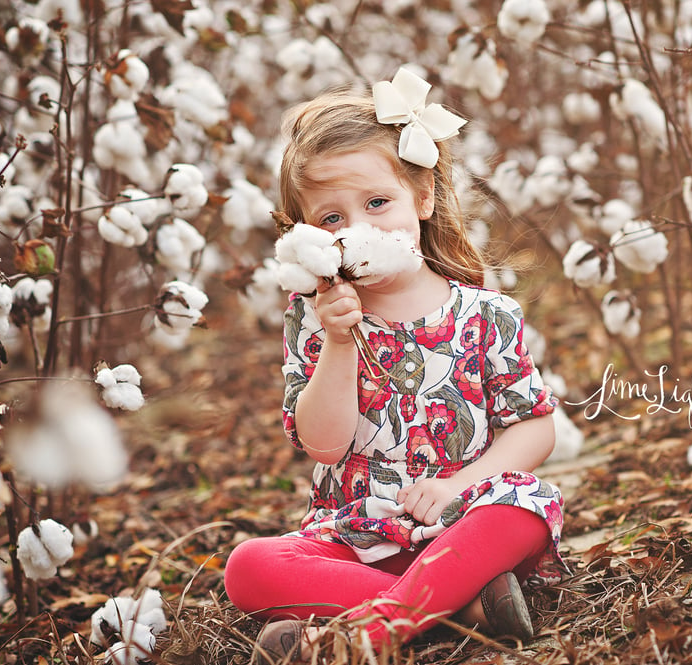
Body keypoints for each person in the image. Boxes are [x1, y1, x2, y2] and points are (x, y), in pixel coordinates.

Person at [224, 67, 566, 664]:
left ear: (424, 197)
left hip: (465, 525)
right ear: (309, 235)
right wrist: (338, 341)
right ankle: (459, 612)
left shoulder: (487, 313)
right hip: (358, 537)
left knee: (525, 507)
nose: (358, 227)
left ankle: (368, 633)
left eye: (378, 203)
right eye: (332, 218)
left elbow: (535, 427)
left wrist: (458, 486)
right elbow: (324, 446)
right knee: (249, 569)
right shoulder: (316, 318)